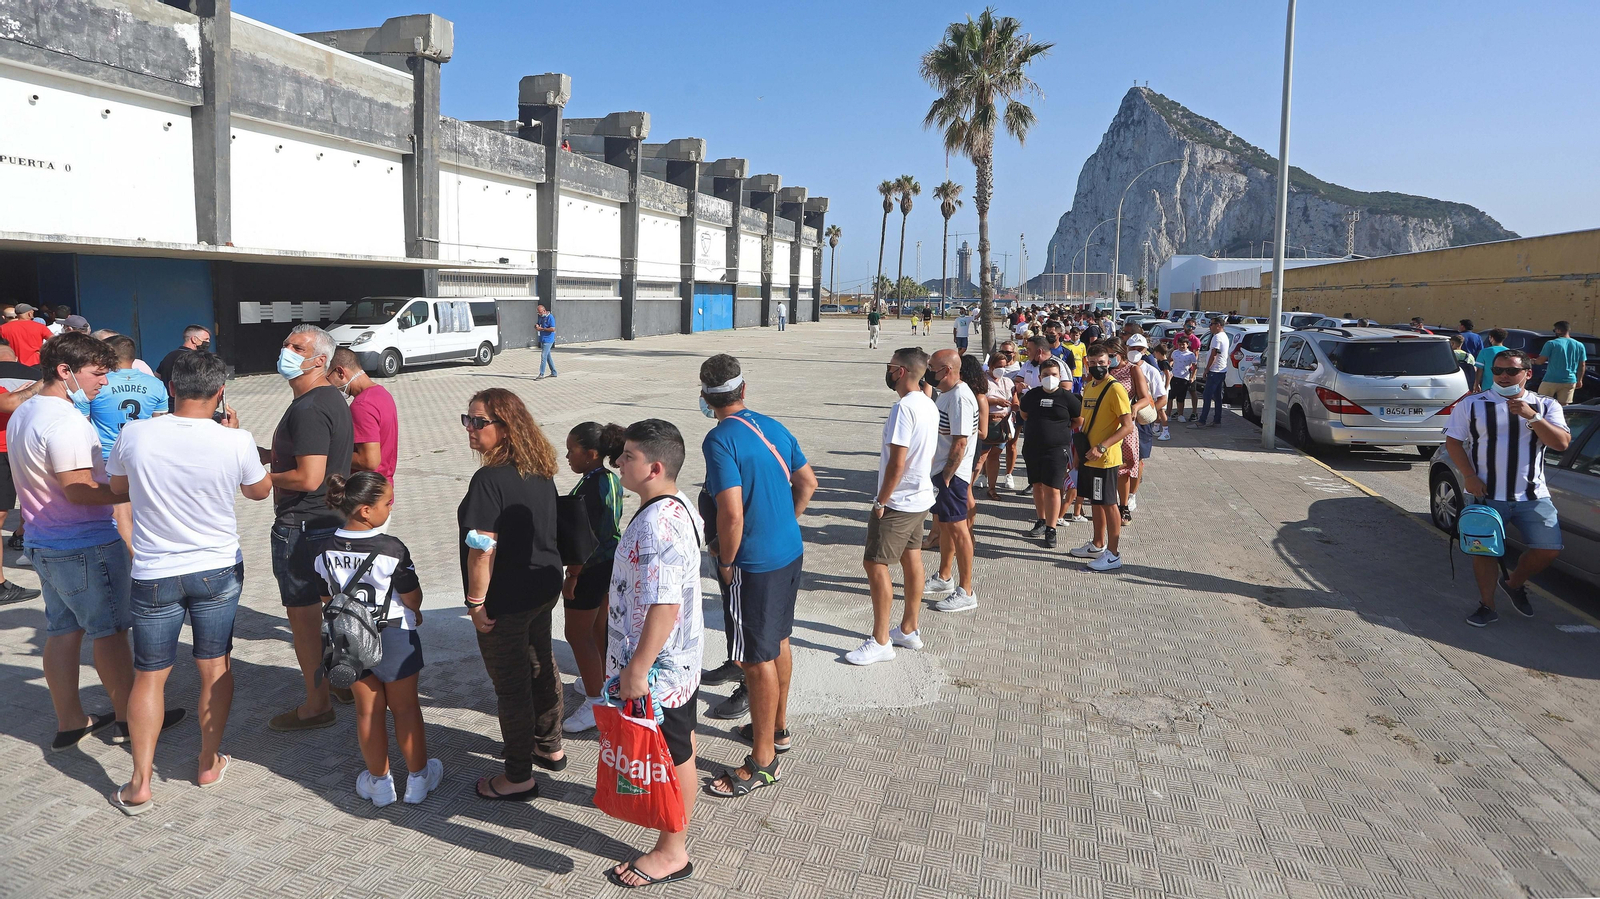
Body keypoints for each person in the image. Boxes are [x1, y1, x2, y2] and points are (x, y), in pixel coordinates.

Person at [105, 350, 270, 814]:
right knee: (213, 666)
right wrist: (235, 436)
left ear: (171, 388)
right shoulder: (234, 439)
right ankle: (206, 760)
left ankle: (139, 782)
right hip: (216, 567)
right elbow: (259, 490)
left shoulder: (134, 433)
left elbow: (118, 489)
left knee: (150, 676)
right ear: (220, 393)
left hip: (155, 570)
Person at [9, 333, 184, 752]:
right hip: (82, 543)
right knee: (110, 633)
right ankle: (128, 718)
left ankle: (71, 719)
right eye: (98, 373)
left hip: (43, 540)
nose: (104, 382)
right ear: (64, 371)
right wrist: (135, 491)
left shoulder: (26, 410)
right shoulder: (65, 420)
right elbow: (78, 489)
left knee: (62, 631)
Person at [698, 355, 816, 794]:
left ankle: (763, 762)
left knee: (755, 658)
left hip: (753, 563)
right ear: (743, 391)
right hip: (788, 551)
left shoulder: (719, 441)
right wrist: (784, 521)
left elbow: (729, 514)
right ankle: (778, 730)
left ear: (708, 398)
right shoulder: (772, 425)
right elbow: (808, 483)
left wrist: (726, 560)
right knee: (779, 640)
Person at [603, 419, 705, 886]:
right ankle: (673, 838)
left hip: (659, 669)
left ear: (655, 467)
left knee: (672, 754)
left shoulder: (657, 525)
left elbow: (664, 604)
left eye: (627, 456)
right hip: (676, 662)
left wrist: (637, 670)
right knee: (680, 749)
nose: (618, 462)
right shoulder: (675, 504)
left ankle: (671, 850)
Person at [460, 388, 566, 800]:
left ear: (506, 427)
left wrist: (475, 603)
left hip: (506, 595)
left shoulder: (488, 479)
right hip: (542, 584)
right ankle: (550, 744)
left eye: (479, 422)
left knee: (512, 684)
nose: (470, 428)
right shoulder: (539, 468)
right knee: (541, 665)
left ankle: (518, 776)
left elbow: (482, 549)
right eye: (467, 419)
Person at [314, 471, 442, 806]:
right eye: (387, 502)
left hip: (350, 641)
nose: (391, 507)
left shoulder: (325, 548)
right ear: (366, 511)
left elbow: (326, 597)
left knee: (367, 712)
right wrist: (415, 610)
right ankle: (417, 780)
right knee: (406, 709)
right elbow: (412, 597)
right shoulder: (391, 548)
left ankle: (380, 784)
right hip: (396, 635)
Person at [264, 325, 354, 732]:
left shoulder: (310, 407)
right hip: (327, 520)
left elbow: (308, 476)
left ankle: (316, 704)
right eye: (285, 344)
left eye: (296, 348)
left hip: (303, 525)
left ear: (320, 360)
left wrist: (263, 477)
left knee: (303, 620)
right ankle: (340, 684)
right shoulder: (327, 398)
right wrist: (263, 454)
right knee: (332, 611)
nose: (286, 351)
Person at [1443, 350, 1571, 627]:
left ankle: (1513, 583)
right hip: (1485, 495)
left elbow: (1561, 443)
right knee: (1484, 553)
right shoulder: (1472, 404)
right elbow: (1453, 442)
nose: (1502, 376)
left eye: (1511, 371)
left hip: (1532, 495)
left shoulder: (1546, 405)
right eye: (1497, 370)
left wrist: (1533, 417)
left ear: (1528, 373)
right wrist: (1469, 475)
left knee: (1549, 548)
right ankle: (1487, 605)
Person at [847, 347, 937, 666]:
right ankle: (908, 628)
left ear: (900, 371)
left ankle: (881, 639)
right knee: (912, 557)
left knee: (875, 563)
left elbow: (897, 463)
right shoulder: (927, 403)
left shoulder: (904, 408)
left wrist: (881, 500)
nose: (887, 370)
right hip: (920, 496)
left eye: (890, 366)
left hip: (898, 500)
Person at [558, 422, 625, 734]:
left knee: (577, 633)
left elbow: (588, 538)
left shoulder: (590, 488)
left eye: (573, 450)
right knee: (599, 629)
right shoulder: (608, 478)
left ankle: (596, 703)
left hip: (591, 567)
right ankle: (599, 682)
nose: (568, 455)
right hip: (610, 564)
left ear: (592, 453)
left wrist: (573, 575)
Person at [88, 335, 169, 547]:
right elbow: (158, 425)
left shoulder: (97, 383)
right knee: (144, 513)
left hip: (107, 457)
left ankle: (131, 564)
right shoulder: (155, 384)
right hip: (142, 456)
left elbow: (83, 425)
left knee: (120, 515)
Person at [922, 349, 979, 613]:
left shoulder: (960, 398)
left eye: (932, 366)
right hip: (942, 473)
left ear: (946, 370)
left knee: (958, 529)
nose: (928, 370)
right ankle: (945, 576)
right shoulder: (947, 395)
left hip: (952, 476)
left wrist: (946, 476)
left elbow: (961, 442)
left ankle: (966, 591)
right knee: (945, 525)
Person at [1072, 345, 1135, 571]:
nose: (1097, 367)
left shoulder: (1115, 389)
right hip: (1089, 455)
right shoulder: (1089, 386)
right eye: (1093, 363)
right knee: (1095, 502)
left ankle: (1114, 554)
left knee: (1109, 504)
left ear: (1110, 362)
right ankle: (1097, 544)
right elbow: (1085, 420)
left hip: (1105, 458)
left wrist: (1102, 446)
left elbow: (1127, 426)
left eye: (1101, 363)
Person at [1018, 358, 1080, 548]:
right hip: (1032, 447)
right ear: (1039, 377)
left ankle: (1051, 528)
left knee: (1053, 488)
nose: (1049, 378)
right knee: (1037, 485)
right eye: (1045, 375)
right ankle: (1041, 520)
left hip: (1057, 449)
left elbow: (1078, 420)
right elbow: (1024, 414)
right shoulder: (1032, 395)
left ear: (1060, 376)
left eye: (1053, 375)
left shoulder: (1068, 398)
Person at [0, 345, 42, 605]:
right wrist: (41, 383)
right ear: (14, 357)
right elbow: (10, 403)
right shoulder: (34, 375)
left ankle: (20, 536)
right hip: (10, 447)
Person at [329, 349, 398, 483]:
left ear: (340, 372)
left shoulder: (361, 405)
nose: (328, 385)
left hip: (366, 491)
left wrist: (331, 452)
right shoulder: (382, 393)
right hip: (382, 486)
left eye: (327, 378)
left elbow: (369, 461)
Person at [977, 351, 1016, 501]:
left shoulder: (1007, 381)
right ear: (991, 365)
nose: (1002, 369)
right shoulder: (982, 381)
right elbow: (977, 400)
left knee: (995, 456)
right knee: (981, 457)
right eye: (999, 366)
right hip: (988, 422)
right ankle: (966, 488)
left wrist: (1016, 404)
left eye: (1004, 366)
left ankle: (991, 488)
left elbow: (1015, 399)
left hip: (1003, 423)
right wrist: (994, 402)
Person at [1533, 321, 1587, 405]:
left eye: (1554, 330)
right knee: (1564, 407)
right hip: (1570, 380)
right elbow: (1582, 364)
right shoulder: (1579, 345)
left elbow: (1540, 361)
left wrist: (1533, 361)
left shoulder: (1551, 343)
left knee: (1542, 403)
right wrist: (1579, 380)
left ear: (1558, 330)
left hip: (1551, 379)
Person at [1193, 319, 1230, 428]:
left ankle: (1202, 420)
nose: (1210, 326)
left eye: (1212, 324)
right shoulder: (1224, 336)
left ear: (1218, 325)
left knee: (1207, 395)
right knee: (1218, 397)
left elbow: (1214, 354)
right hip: (1222, 370)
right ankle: (1217, 420)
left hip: (1215, 370)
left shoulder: (1217, 337)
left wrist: (1207, 369)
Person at [535, 303, 558, 379]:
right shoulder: (540, 317)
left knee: (543, 356)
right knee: (548, 356)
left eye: (540, 312)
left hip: (549, 339)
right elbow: (538, 324)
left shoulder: (550, 317)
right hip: (542, 338)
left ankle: (541, 374)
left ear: (544, 311)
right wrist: (536, 326)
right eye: (538, 312)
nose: (539, 314)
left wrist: (542, 329)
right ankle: (554, 372)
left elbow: (553, 329)